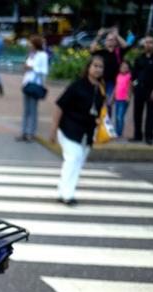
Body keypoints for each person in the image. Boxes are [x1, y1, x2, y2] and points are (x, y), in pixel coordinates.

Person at [49, 55, 105, 206]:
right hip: (69, 128)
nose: (98, 69)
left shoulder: (100, 89)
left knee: (76, 162)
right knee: (73, 158)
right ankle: (68, 194)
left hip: (87, 132)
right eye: (95, 66)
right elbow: (60, 105)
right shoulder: (77, 85)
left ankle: (63, 191)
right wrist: (53, 129)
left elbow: (100, 111)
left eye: (100, 67)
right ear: (89, 67)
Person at [17, 35, 49, 142]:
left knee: (33, 110)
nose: (29, 45)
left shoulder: (42, 55)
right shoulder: (31, 55)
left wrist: (31, 67)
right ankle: (24, 132)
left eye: (31, 43)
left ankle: (31, 133)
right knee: (26, 109)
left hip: (36, 84)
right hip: (28, 83)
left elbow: (44, 70)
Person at [90, 27, 128, 114]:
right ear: (105, 41)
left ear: (115, 42)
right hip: (100, 81)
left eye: (112, 40)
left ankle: (106, 124)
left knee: (108, 104)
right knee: (97, 103)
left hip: (112, 83)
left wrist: (117, 35)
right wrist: (98, 36)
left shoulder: (118, 52)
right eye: (108, 40)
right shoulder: (102, 52)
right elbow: (92, 50)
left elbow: (125, 46)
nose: (110, 41)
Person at [131, 33, 153, 144]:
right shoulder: (139, 58)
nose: (148, 44)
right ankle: (137, 135)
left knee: (150, 114)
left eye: (151, 42)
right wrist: (135, 86)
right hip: (139, 90)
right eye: (147, 42)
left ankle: (149, 136)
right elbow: (134, 76)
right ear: (144, 44)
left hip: (152, 90)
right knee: (137, 113)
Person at [115, 60, 131, 137]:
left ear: (128, 68)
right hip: (117, 99)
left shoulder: (129, 76)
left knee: (120, 116)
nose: (124, 68)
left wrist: (128, 96)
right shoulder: (118, 76)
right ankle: (117, 131)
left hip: (124, 99)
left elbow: (130, 87)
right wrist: (112, 97)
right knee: (117, 116)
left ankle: (119, 133)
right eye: (122, 67)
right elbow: (116, 86)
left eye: (126, 67)